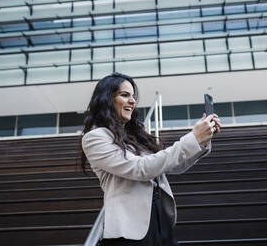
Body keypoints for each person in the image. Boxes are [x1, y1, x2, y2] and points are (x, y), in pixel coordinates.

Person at [81, 72, 221, 246]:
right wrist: (192, 137)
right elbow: (140, 169)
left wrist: (201, 140)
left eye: (133, 96)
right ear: (106, 100)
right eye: (124, 95)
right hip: (130, 231)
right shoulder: (95, 137)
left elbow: (171, 166)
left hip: (160, 221)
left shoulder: (136, 137)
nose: (132, 101)